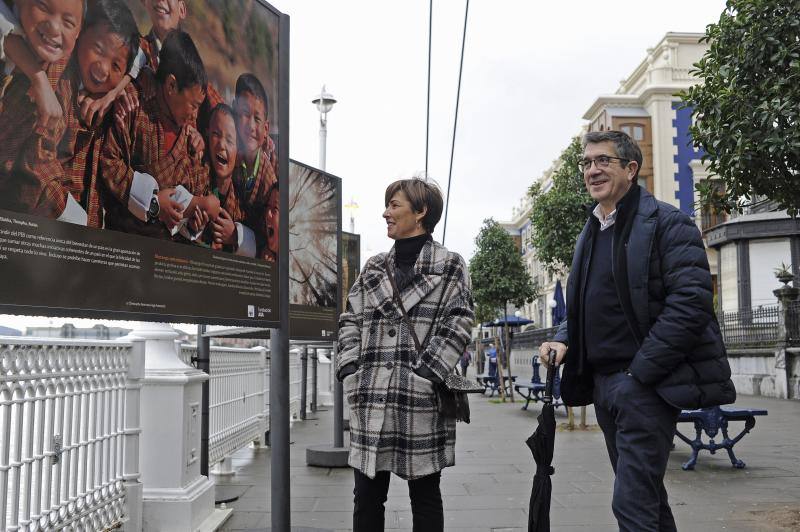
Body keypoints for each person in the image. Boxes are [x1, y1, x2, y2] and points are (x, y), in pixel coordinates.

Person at [539, 130, 736, 532]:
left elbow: (691, 305)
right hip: (604, 385)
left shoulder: (668, 223)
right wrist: (563, 336)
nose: (592, 170)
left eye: (603, 161)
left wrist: (639, 375)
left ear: (631, 168)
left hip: (645, 384)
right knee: (647, 499)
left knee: (630, 502)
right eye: (587, 163)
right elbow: (581, 306)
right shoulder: (592, 230)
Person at [337, 178, 474, 532]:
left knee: (425, 496)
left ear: (421, 211)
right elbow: (350, 318)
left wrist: (427, 374)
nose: (386, 212)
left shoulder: (450, 265)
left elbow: (459, 322)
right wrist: (350, 367)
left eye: (394, 205)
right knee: (366, 497)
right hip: (372, 395)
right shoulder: (373, 267)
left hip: (419, 397)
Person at [0, 0, 140, 227]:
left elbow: (140, 58)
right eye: (98, 50)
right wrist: (76, 219)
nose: (102, 69)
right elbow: (35, 171)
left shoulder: (105, 101)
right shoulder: (53, 72)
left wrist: (113, 93)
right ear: (80, 35)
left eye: (115, 66)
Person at [99, 29, 218, 241]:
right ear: (171, 85)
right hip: (120, 242)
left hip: (165, 253)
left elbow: (197, 191)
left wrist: (193, 221)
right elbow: (109, 162)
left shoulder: (190, 138)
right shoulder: (134, 107)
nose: (195, 114)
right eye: (193, 105)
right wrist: (153, 202)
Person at [231, 73, 278, 261]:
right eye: (244, 115)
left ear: (266, 129)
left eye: (257, 119)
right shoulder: (225, 150)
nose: (251, 126)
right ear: (234, 111)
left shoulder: (271, 176)